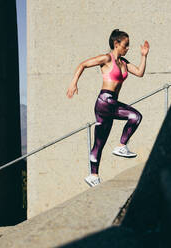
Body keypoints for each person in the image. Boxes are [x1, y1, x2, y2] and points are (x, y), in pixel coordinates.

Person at [66, 29, 149, 187]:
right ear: (116, 44)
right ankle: (122, 145)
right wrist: (73, 82)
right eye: (125, 45)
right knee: (135, 116)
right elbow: (83, 64)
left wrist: (144, 56)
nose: (128, 48)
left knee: (99, 142)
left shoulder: (123, 62)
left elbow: (139, 72)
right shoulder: (106, 58)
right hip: (105, 101)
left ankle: (93, 175)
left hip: (110, 103)